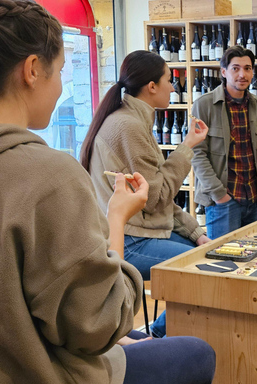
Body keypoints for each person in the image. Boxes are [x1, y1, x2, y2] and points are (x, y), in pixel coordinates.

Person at [0, 0, 215, 384]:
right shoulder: (46, 173)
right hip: (32, 370)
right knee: (197, 354)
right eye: (58, 73)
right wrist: (117, 218)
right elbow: (100, 325)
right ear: (32, 69)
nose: (59, 88)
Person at [80, 50, 210, 337]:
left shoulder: (133, 121)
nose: (173, 87)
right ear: (151, 87)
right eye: (168, 80)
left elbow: (156, 195)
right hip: (133, 240)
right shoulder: (128, 127)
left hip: (143, 232)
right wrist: (187, 147)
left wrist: (194, 232)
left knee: (205, 254)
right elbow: (155, 198)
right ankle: (159, 336)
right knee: (201, 269)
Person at [191, 46, 257, 239]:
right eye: (236, 68)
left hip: (253, 197)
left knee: (253, 259)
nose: (242, 74)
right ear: (224, 72)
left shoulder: (256, 104)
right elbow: (196, 153)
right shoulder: (204, 105)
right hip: (224, 201)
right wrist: (219, 195)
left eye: (248, 68)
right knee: (224, 262)